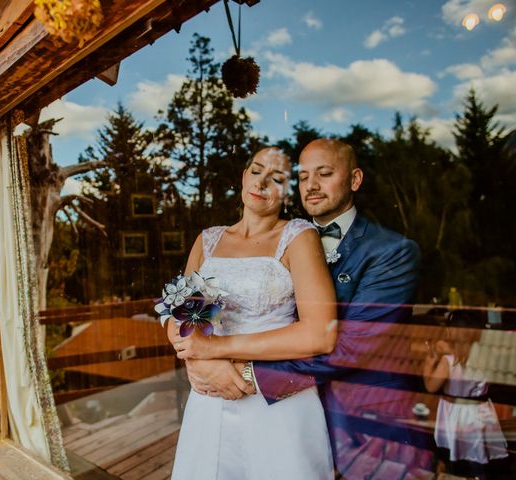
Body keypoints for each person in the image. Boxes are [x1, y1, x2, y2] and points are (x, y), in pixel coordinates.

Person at [175, 138, 422, 476]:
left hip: (358, 423)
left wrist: (231, 366)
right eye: (305, 177)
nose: (312, 185)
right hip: (216, 397)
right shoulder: (211, 240)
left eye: (324, 174)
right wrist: (193, 356)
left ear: (354, 179)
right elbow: (185, 312)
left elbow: (347, 345)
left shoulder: (389, 251)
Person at [165, 146, 338, 479]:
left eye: (276, 178)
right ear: (244, 177)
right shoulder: (208, 241)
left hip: (275, 404)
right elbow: (181, 319)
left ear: (287, 192)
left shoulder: (299, 237)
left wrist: (216, 351)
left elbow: (320, 333)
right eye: (256, 171)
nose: (262, 183)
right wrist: (199, 362)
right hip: (210, 399)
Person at [423, 314, 508, 477]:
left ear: (450, 332)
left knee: (458, 456)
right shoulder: (486, 358)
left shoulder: (449, 361)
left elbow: (431, 386)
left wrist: (429, 361)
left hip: (456, 415)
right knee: (478, 454)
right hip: (481, 411)